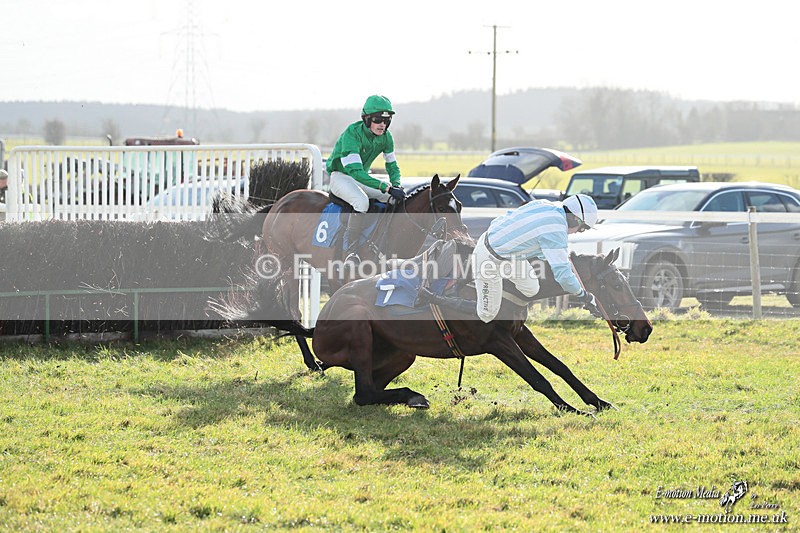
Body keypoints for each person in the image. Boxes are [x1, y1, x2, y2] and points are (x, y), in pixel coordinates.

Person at [473, 193, 601, 322]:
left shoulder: (547, 205)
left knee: (531, 290)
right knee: (487, 314)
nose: (577, 232)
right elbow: (563, 277)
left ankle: (497, 297)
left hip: (510, 255)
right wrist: (583, 296)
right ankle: (465, 303)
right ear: (575, 219)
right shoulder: (556, 230)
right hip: (488, 258)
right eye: (582, 229)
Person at [326, 95, 405, 266]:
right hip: (341, 177)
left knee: (392, 199)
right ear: (367, 119)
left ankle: (382, 242)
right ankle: (351, 253)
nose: (382, 124)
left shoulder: (387, 137)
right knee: (361, 202)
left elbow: (392, 166)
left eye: (386, 120)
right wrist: (386, 187)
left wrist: (396, 184)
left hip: (360, 178)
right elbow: (355, 172)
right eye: (378, 120)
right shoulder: (352, 134)